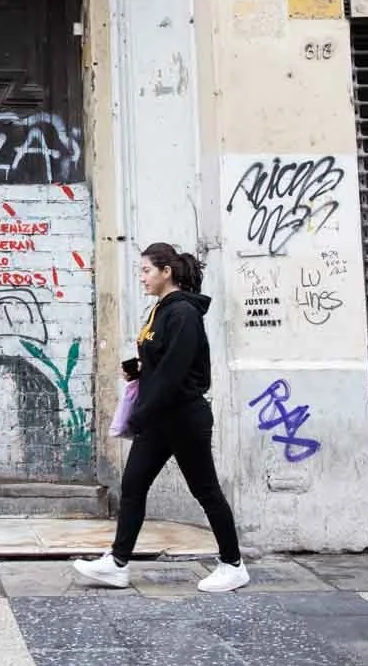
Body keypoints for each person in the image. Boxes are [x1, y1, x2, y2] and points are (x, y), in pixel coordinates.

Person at [73, 242, 248, 593]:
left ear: (166, 272)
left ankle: (233, 564)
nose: (141, 277)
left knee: (206, 490)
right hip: (159, 418)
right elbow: (161, 363)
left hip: (184, 417)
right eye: (140, 271)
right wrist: (139, 370)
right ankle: (117, 563)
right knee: (134, 485)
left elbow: (174, 372)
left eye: (146, 270)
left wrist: (142, 412)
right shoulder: (160, 311)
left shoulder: (183, 313)